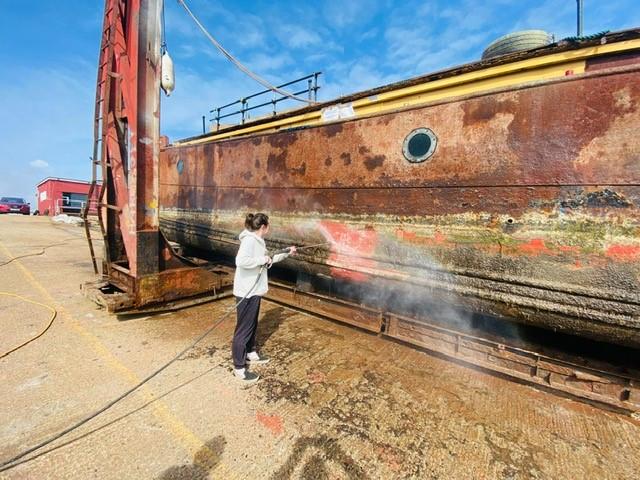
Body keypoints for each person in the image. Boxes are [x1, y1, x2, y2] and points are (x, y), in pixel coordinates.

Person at [232, 212, 296, 383]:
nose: (269, 228)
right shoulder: (249, 240)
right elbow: (241, 261)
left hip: (254, 291)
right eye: (268, 226)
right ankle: (239, 367)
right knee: (243, 329)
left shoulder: (258, 241)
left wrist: (287, 252)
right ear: (263, 227)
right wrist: (262, 259)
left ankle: (251, 353)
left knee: (252, 324)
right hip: (246, 291)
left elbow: (269, 258)